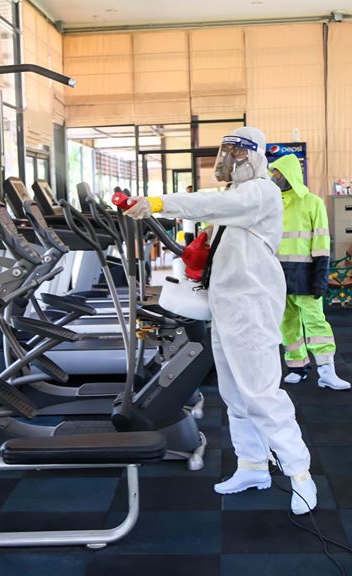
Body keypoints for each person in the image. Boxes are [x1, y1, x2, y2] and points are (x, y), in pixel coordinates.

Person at [125, 126, 317, 514]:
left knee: (261, 393)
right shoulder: (236, 196)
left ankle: (300, 474)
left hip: (251, 306)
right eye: (226, 151)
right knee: (234, 394)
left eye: (238, 152)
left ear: (257, 157)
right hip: (227, 305)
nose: (229, 159)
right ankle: (252, 466)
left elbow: (209, 203)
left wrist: (158, 202)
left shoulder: (259, 192)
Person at [269, 154, 351, 390]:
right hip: (278, 275)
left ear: (290, 175)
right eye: (274, 173)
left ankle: (327, 372)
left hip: (305, 274)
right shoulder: (272, 203)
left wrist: (320, 278)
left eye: (278, 173)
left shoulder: (313, 202)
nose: (275, 178)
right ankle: (297, 367)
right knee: (287, 324)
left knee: (316, 323)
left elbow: (321, 243)